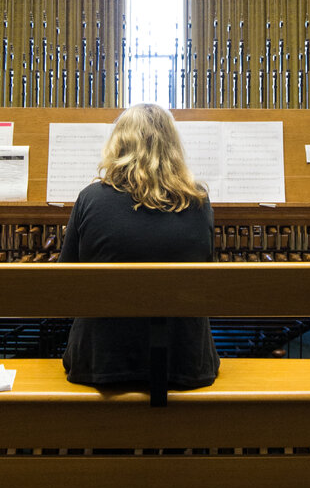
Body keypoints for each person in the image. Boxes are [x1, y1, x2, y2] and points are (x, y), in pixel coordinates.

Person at [59, 104, 219, 389]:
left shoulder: (90, 198)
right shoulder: (199, 201)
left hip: (101, 362)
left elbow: (65, 283)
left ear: (118, 144)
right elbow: (206, 275)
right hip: (185, 362)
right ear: (172, 146)